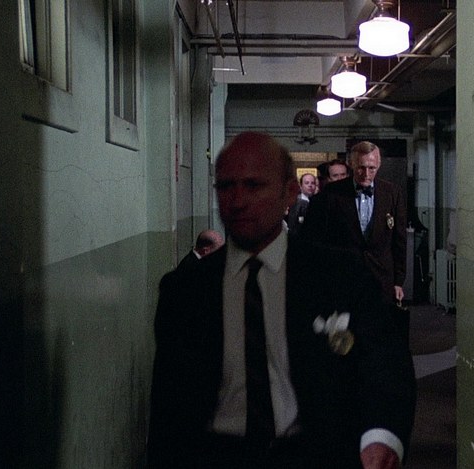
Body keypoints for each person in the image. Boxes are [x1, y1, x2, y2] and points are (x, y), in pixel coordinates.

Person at [148, 132, 416, 469]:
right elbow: (169, 409)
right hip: (217, 457)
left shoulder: (340, 277)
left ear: (288, 192)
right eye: (227, 186)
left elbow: (385, 362)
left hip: (316, 455)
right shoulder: (185, 290)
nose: (238, 200)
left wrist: (381, 436)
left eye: (254, 185)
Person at [301, 142, 407, 306]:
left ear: (379, 165)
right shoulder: (331, 193)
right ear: (351, 165)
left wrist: (398, 281)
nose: (366, 174)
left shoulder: (392, 193)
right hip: (342, 279)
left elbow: (399, 241)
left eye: (372, 168)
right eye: (361, 168)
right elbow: (315, 239)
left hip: (381, 279)